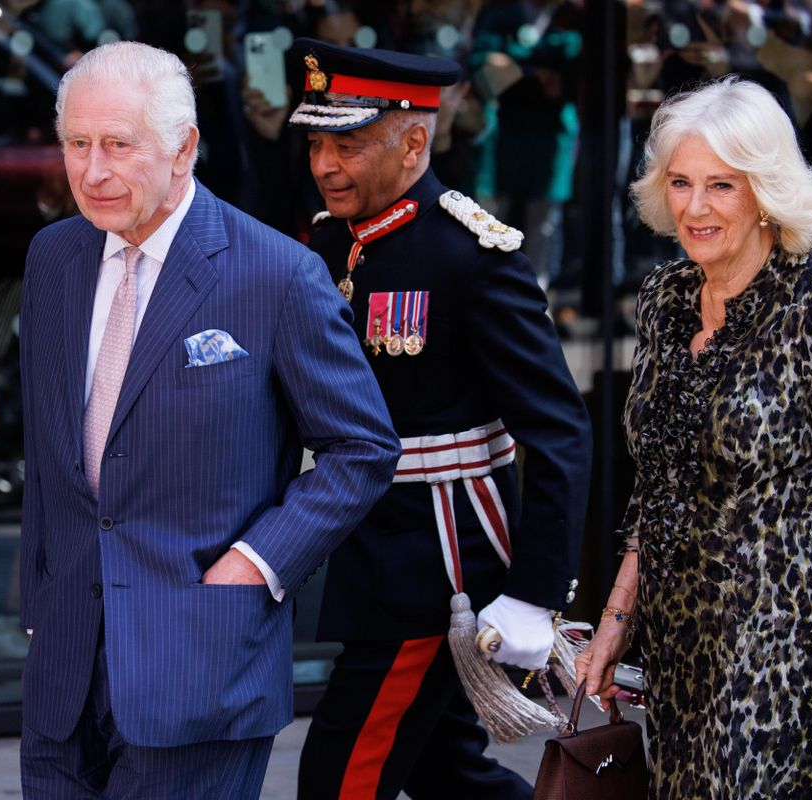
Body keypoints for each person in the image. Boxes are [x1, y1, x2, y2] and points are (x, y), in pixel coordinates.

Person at [17, 40, 400, 798]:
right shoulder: (53, 257)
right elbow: (53, 451)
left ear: (184, 148)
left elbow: (362, 447)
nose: (93, 172)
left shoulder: (276, 274)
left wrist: (254, 565)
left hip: (202, 661)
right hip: (64, 667)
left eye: (120, 146)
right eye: (78, 145)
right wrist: (39, 595)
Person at [287, 38, 593, 799]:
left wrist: (536, 591)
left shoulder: (473, 255)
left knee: (340, 777)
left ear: (415, 140)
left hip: (439, 566)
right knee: (444, 770)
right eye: (317, 142)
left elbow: (558, 430)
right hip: (365, 548)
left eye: (348, 145)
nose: (325, 164)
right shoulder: (330, 241)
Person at [576, 76, 812, 798]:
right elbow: (657, 480)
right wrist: (618, 616)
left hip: (788, 650)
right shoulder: (665, 299)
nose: (694, 207)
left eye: (721, 185)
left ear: (765, 190)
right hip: (683, 646)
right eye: (680, 183)